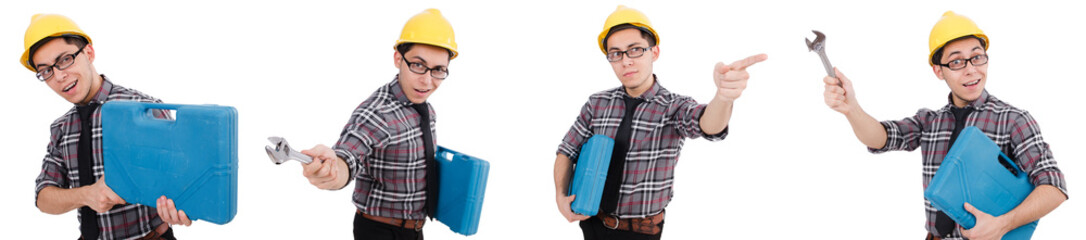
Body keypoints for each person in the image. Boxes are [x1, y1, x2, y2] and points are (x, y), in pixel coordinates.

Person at [822, 11, 1067, 240]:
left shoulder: (1013, 120)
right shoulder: (929, 121)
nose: (971, 69)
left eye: (977, 57)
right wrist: (851, 108)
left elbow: (1054, 187)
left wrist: (1003, 224)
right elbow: (881, 137)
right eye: (957, 62)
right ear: (938, 71)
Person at [552, 5, 766, 240]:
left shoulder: (674, 106)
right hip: (591, 223)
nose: (626, 62)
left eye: (635, 50)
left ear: (654, 53)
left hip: (641, 233)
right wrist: (560, 196)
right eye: (616, 53)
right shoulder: (597, 103)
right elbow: (566, 150)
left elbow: (708, 124)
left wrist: (723, 98)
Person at [25, 14, 193, 239]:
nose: (59, 76)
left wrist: (181, 206)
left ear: (89, 53)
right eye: (46, 70)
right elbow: (43, 197)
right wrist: (86, 195)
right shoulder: (61, 128)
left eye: (65, 59)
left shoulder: (143, 109)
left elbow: (183, 179)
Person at [297, 8, 457, 240]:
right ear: (397, 59)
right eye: (418, 65)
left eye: (438, 70)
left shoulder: (426, 110)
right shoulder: (377, 113)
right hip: (380, 232)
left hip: (414, 230)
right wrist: (332, 169)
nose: (427, 80)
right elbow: (347, 157)